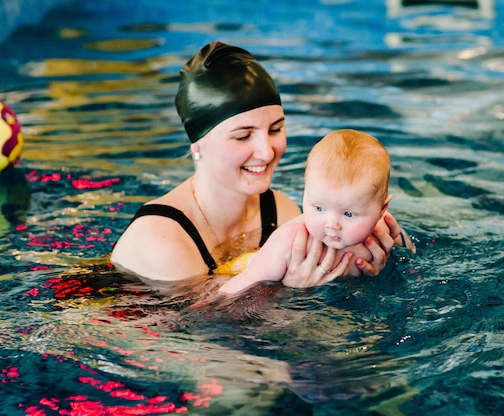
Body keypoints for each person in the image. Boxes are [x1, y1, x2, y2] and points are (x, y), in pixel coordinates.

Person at [110, 41, 410, 291]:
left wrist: (372, 260)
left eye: (276, 129)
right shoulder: (160, 240)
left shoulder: (279, 210)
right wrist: (284, 292)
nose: (267, 152)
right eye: (243, 136)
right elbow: (192, 333)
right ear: (197, 145)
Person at [218, 129, 413, 294]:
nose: (331, 224)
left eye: (348, 214)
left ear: (381, 210)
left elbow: (409, 255)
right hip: (244, 265)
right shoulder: (288, 242)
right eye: (319, 208)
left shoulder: (383, 227)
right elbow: (246, 282)